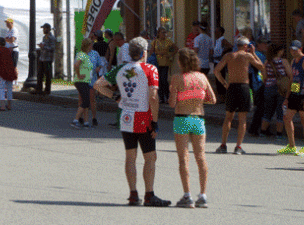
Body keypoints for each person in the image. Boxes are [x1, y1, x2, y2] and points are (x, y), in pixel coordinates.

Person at [94, 37, 170, 207]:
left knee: (130, 156)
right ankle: (149, 194)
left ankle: (133, 194)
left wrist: (114, 96)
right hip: (143, 117)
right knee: (150, 157)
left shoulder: (121, 69)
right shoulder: (150, 69)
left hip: (126, 116)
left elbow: (98, 85)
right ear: (144, 53)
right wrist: (155, 121)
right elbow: (153, 97)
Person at [169, 48, 216, 208]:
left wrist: (179, 95)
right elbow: (213, 99)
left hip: (182, 118)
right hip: (198, 118)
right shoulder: (202, 77)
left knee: (183, 158)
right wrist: (198, 100)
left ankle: (187, 196)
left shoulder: (177, 78)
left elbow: (172, 103)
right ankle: (202, 195)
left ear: (181, 62)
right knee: (200, 157)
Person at [213, 37, 264, 154]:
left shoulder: (229, 56)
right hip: (244, 87)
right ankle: (238, 147)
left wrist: (224, 83)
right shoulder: (247, 56)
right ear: (246, 46)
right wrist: (254, 53)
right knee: (242, 119)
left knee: (228, 117)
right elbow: (261, 66)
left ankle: (223, 144)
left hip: (231, 87)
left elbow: (216, 70)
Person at [278, 40, 304, 155]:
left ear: (300, 48)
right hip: (294, 91)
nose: (293, 51)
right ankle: (292, 145)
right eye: (291, 49)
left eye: (295, 49)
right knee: (287, 118)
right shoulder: (293, 61)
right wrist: (287, 97)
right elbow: (292, 79)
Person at [260, 44, 291, 138]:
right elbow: (290, 75)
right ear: (279, 51)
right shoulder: (284, 61)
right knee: (280, 111)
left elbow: (264, 76)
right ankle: (279, 134)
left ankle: (262, 131)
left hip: (269, 87)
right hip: (281, 88)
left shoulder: (266, 62)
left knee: (268, 110)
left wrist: (268, 82)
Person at [71, 38, 94, 129]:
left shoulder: (86, 56)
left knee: (86, 102)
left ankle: (86, 122)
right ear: (88, 45)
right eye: (91, 45)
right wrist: (79, 75)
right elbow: (76, 65)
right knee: (85, 101)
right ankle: (75, 120)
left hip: (86, 81)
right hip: (81, 81)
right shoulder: (82, 55)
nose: (92, 46)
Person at [151, 27, 176, 104]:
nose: (164, 34)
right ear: (158, 33)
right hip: (157, 63)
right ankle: (161, 97)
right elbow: (151, 52)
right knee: (159, 81)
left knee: (164, 80)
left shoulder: (168, 41)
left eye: (165, 32)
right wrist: (158, 53)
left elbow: (175, 49)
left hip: (165, 63)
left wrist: (170, 54)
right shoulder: (155, 42)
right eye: (162, 32)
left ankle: (168, 96)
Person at [0, 37, 17, 110]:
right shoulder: (7, 50)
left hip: (2, 71)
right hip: (10, 71)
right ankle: (9, 105)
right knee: (9, 88)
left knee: (2, 88)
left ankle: (2, 105)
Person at [37, 23, 56, 95]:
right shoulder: (44, 37)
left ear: (48, 29)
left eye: (44, 29)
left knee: (47, 75)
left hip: (48, 59)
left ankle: (47, 90)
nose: (43, 30)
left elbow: (52, 48)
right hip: (42, 58)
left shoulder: (52, 38)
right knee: (40, 74)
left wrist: (44, 47)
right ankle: (39, 89)